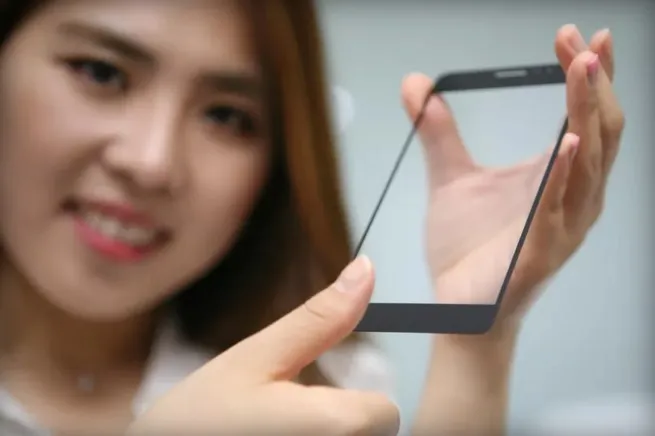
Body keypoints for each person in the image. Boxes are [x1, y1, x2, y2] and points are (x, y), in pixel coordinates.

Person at [0, 0, 624, 435]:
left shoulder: (327, 389)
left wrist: (478, 340)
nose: (152, 163)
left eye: (225, 115)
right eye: (101, 72)